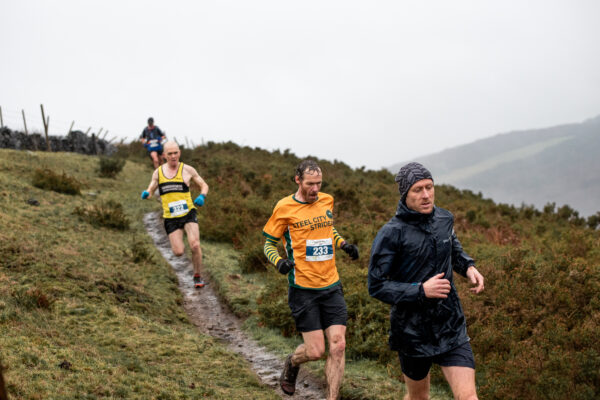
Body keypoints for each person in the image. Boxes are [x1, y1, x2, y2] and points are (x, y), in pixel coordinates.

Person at [368, 162, 485, 400]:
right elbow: (376, 285)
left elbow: (452, 249)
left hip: (450, 325)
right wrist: (420, 291)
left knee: (469, 397)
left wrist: (468, 267)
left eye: (429, 187)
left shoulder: (444, 218)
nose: (426, 195)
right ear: (405, 194)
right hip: (412, 332)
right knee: (419, 398)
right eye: (417, 189)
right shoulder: (391, 233)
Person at [262, 159, 359, 400]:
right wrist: (279, 262)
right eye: (310, 184)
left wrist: (343, 244)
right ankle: (293, 362)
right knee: (316, 352)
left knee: (338, 345)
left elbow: (327, 228)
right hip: (303, 289)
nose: (315, 189)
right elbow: (268, 244)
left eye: (319, 183)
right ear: (298, 181)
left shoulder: (326, 200)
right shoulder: (284, 207)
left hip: (331, 285)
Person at [141, 141, 209, 288]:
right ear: (164, 155)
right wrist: (146, 193)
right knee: (178, 252)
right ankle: (184, 247)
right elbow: (151, 189)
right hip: (171, 217)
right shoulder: (158, 173)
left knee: (195, 245)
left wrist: (202, 196)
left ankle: (197, 276)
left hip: (188, 213)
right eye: (169, 154)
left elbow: (204, 185)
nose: (173, 156)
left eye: (175, 153)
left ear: (179, 153)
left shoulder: (188, 170)